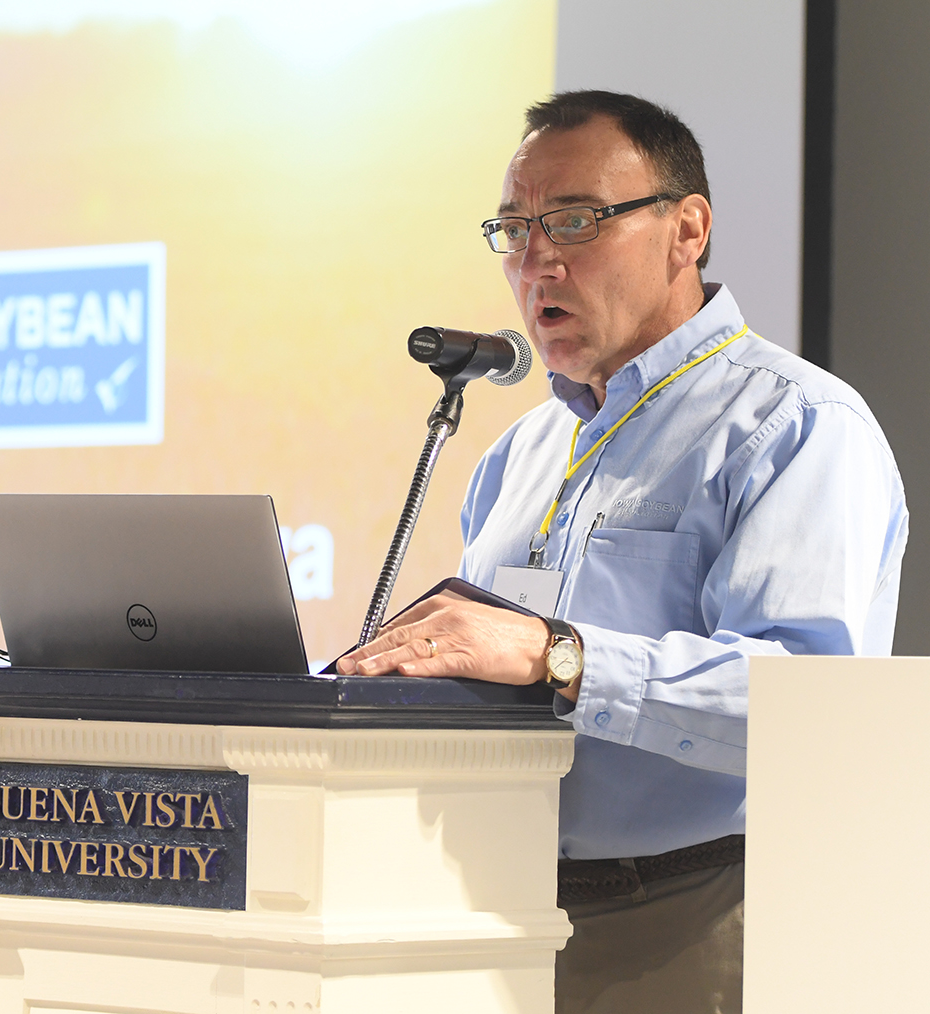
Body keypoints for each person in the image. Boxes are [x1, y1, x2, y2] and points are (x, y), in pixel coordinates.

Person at [337, 90, 908, 1014]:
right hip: (504, 911)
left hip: (709, 910)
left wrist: (558, 657)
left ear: (688, 229)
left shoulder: (795, 425)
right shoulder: (515, 455)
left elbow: (812, 707)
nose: (537, 260)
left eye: (575, 220)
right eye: (514, 228)